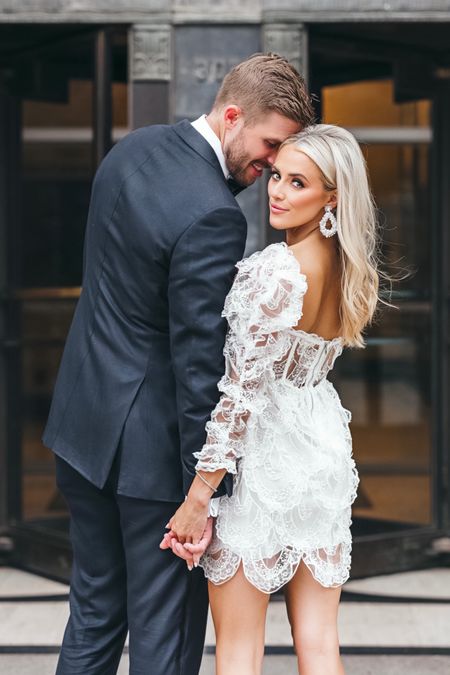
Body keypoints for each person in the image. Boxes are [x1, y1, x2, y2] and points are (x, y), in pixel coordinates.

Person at [42, 53, 313, 675]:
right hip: (152, 462)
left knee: (93, 612)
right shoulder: (214, 213)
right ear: (234, 114)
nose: (272, 164)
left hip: (80, 431)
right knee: (165, 639)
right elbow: (200, 371)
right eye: (271, 144)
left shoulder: (130, 150)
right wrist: (205, 493)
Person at [164, 124, 381, 675]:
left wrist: (198, 497)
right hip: (322, 448)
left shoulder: (276, 271)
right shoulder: (349, 270)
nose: (277, 191)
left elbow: (239, 396)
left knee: (239, 650)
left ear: (332, 196)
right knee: (319, 639)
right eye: (277, 175)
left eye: (298, 182)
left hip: (263, 460)